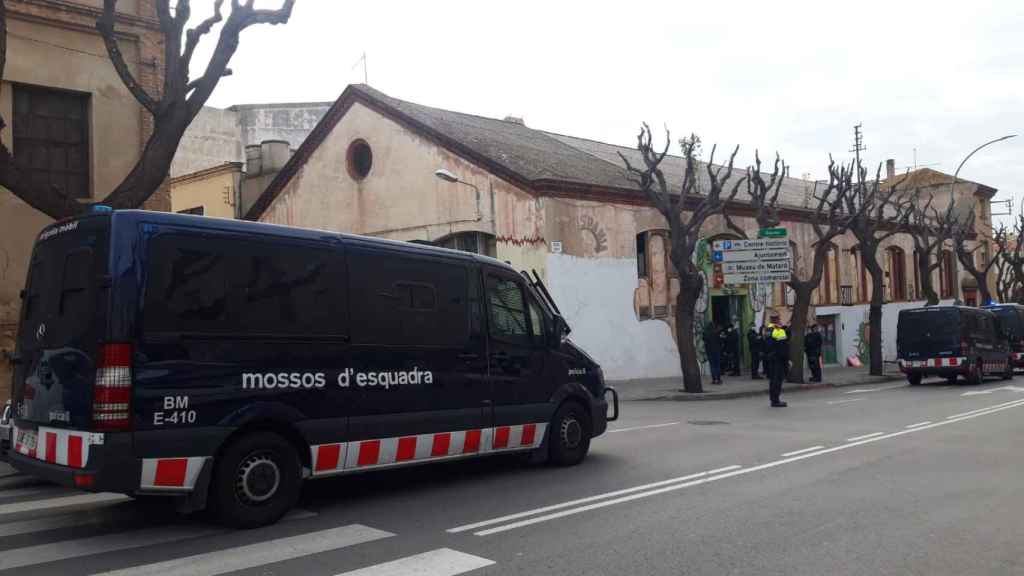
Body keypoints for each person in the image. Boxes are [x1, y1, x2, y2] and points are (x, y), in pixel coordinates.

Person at [766, 314, 789, 407]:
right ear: (777, 320)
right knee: (777, 380)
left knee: (772, 380)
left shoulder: (767, 330)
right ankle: (776, 400)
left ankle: (773, 399)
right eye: (779, 319)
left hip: (770, 358)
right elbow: (783, 347)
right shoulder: (779, 331)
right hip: (778, 359)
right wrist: (786, 360)